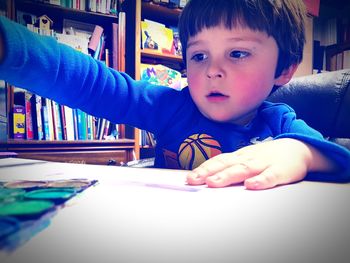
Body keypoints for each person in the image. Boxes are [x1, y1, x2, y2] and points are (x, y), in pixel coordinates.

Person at [0, 0, 349, 190]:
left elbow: (340, 162)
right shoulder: (169, 107)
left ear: (284, 69)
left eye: (237, 53)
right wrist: (11, 49)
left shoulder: (280, 122)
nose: (213, 69)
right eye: (199, 55)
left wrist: (300, 151)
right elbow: (95, 84)